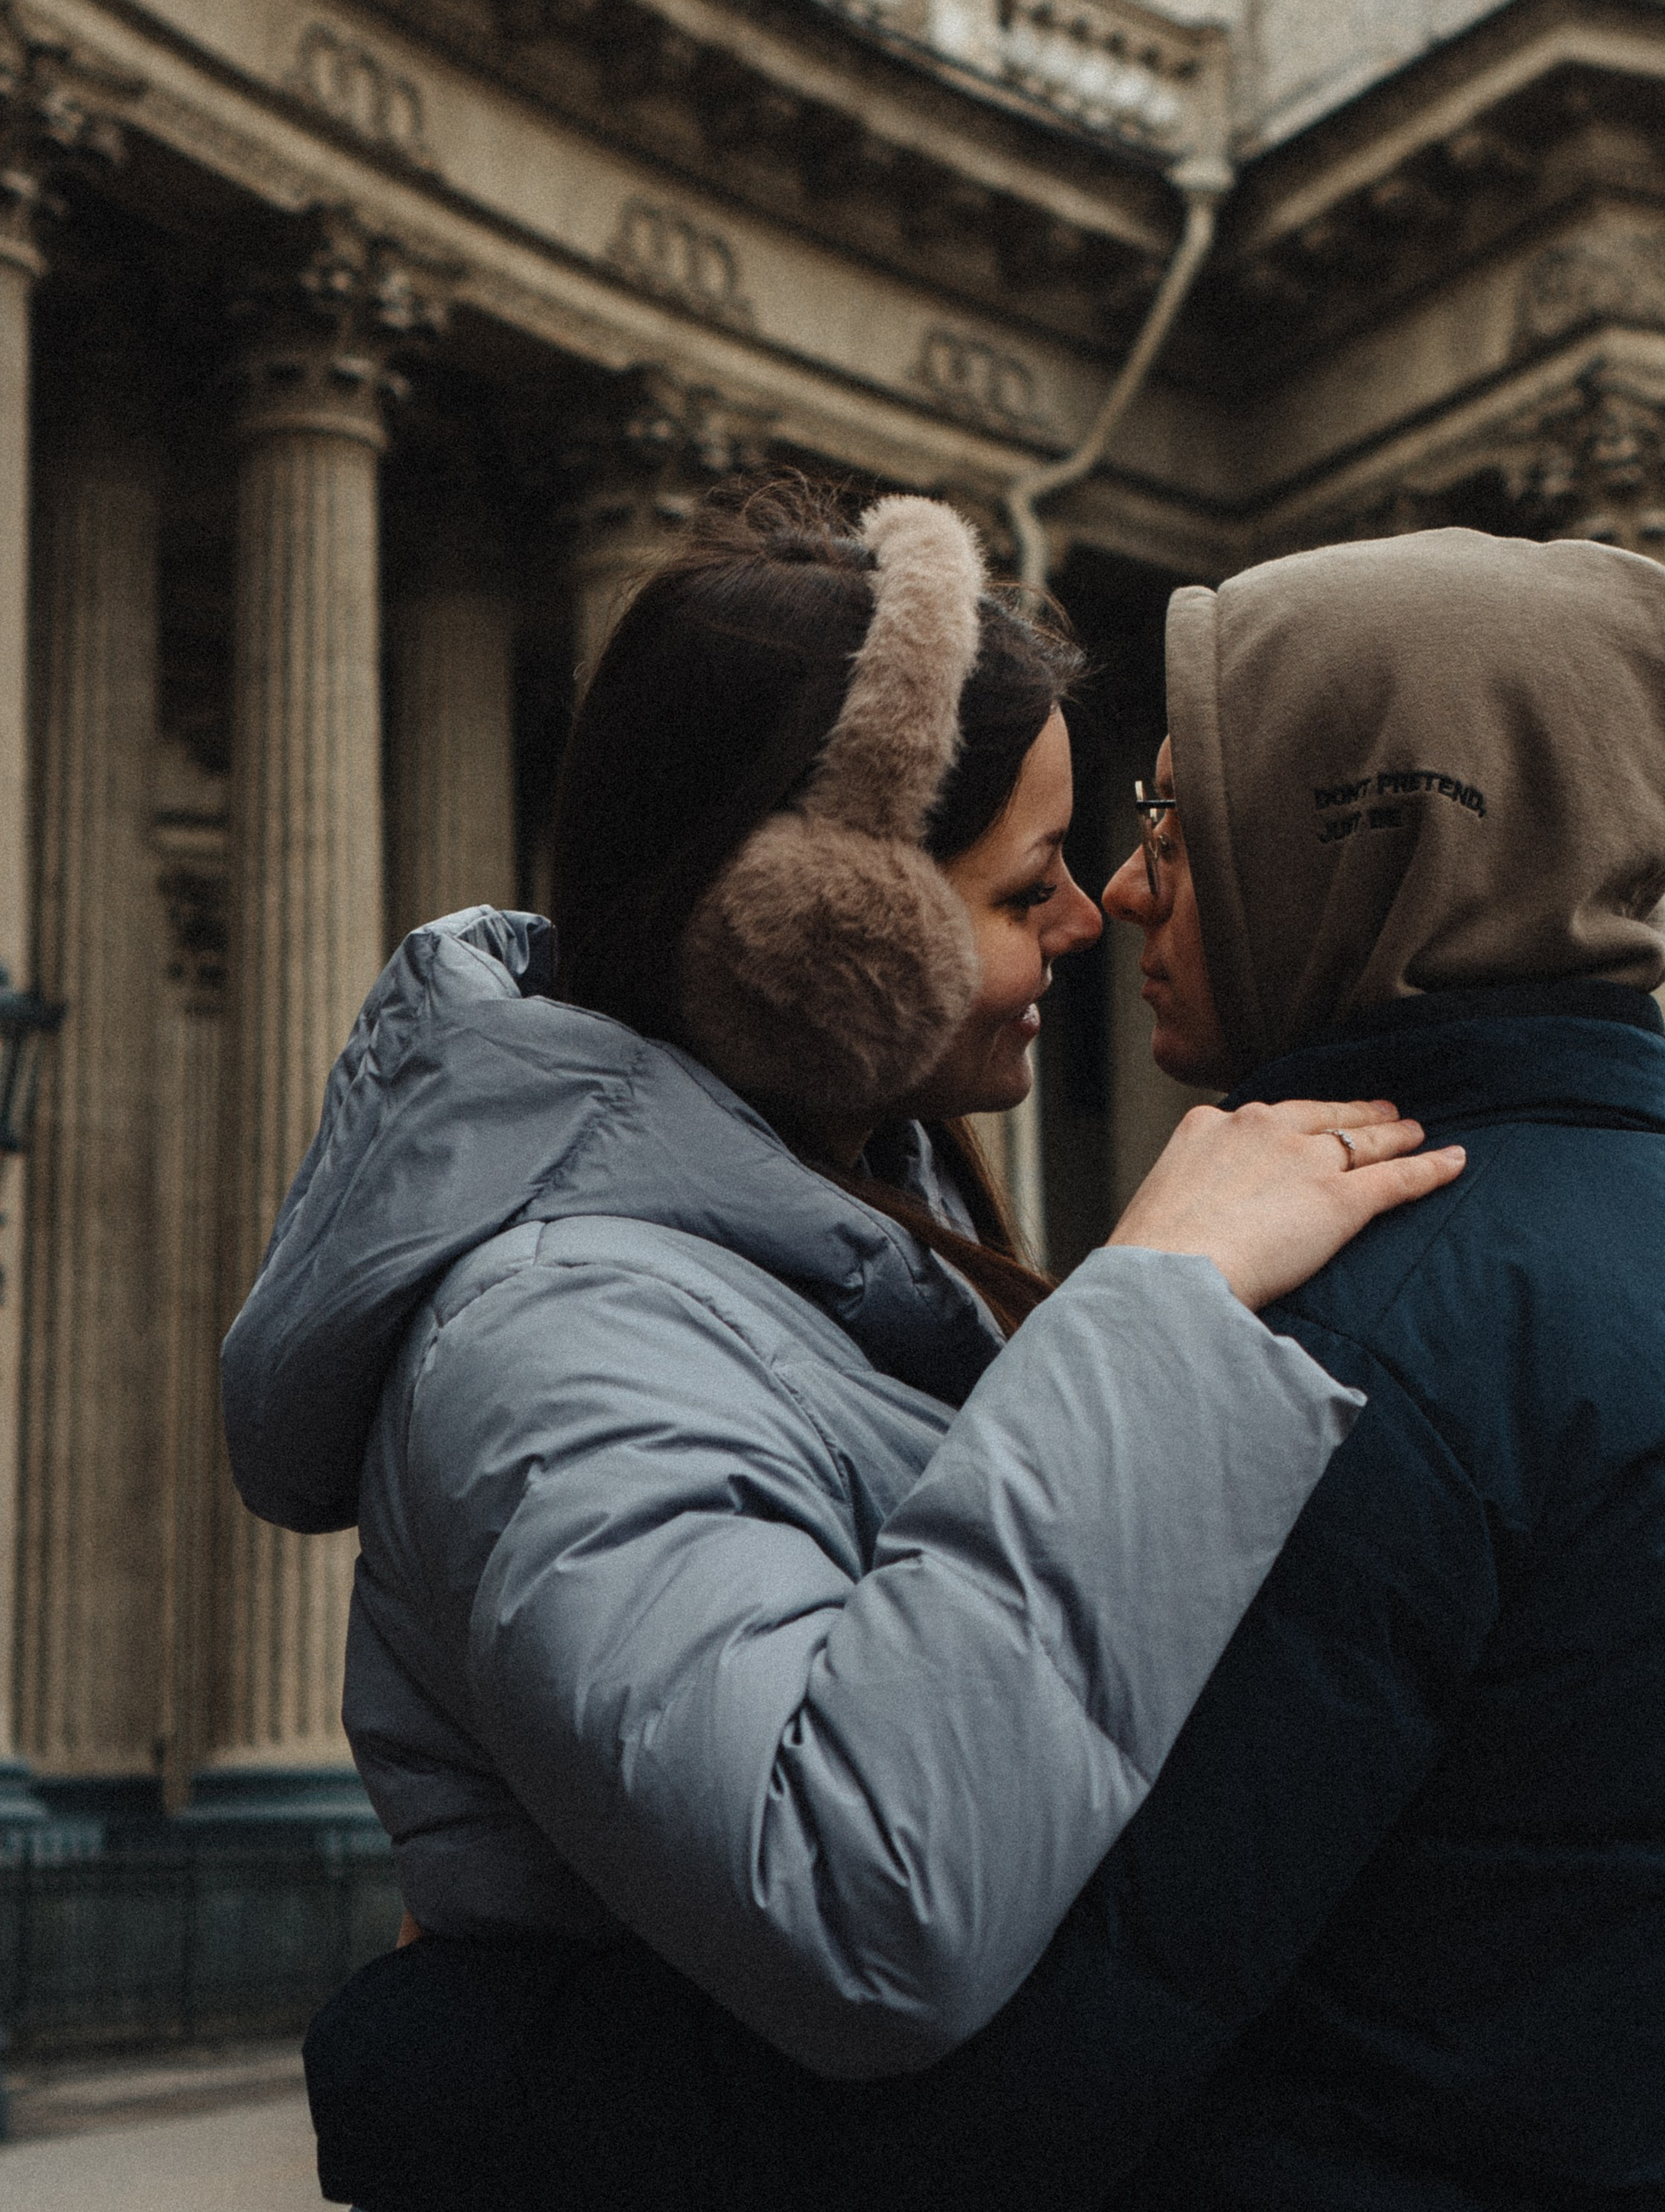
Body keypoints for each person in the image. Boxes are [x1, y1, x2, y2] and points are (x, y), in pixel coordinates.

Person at [308, 518, 1665, 2212]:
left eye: (1176, 818)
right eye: (1061, 869)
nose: (1120, 895)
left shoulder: (1328, 1361)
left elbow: (1014, 2083)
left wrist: (425, 2058)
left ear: (1347, 852)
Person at [227, 482, 1457, 2204]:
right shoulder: (551, 1331)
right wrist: (1149, 1321)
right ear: (824, 931)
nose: (1085, 923)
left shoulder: (804, 1257)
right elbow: (858, 1905)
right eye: (1027, 883)